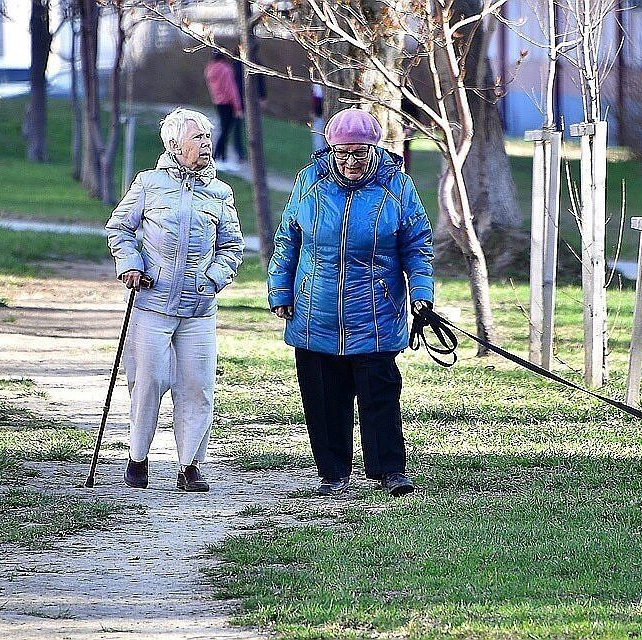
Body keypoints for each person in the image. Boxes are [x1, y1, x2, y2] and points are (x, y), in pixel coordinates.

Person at [267, 108, 434, 497]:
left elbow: (417, 245)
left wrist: (422, 294)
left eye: (359, 153)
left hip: (375, 309)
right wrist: (280, 289)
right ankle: (332, 472)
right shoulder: (309, 181)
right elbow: (287, 238)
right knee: (323, 396)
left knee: (380, 393)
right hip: (315, 308)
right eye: (341, 153)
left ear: (374, 148)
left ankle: (389, 470)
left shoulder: (397, 186)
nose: (349, 162)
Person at [106, 108, 244, 492]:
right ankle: (137, 457)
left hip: (199, 310)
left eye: (206, 137)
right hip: (152, 304)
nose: (205, 144)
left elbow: (232, 246)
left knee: (197, 386)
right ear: (174, 145)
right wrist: (130, 264)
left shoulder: (220, 192)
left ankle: (190, 466)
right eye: (197, 137)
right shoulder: (149, 184)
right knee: (149, 381)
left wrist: (213, 279)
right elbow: (119, 228)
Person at [205, 50, 244, 169]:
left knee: (223, 129)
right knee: (226, 130)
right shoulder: (225, 69)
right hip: (228, 103)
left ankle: (220, 156)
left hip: (218, 102)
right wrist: (238, 106)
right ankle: (218, 156)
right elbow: (231, 88)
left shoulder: (209, 69)